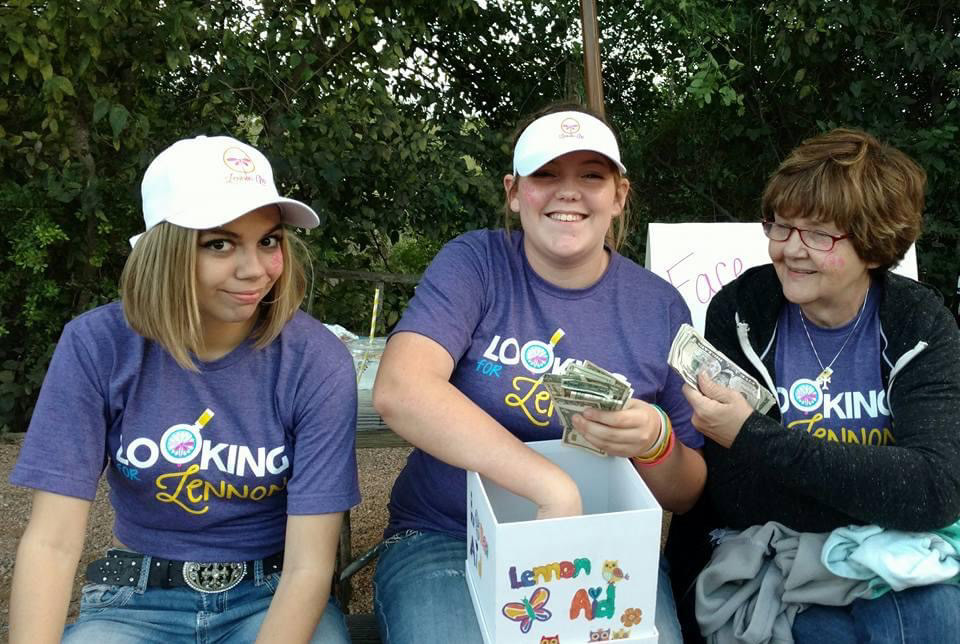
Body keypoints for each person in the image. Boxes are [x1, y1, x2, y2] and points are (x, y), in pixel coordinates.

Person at [371, 104, 706, 643]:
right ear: (513, 190)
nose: (567, 192)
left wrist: (656, 441)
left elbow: (685, 494)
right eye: (546, 174)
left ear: (619, 195)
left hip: (603, 545)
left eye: (591, 176)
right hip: (449, 536)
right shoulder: (476, 263)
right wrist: (551, 486)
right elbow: (401, 390)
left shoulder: (659, 306)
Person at [8, 135, 360, 643]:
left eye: (269, 240)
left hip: (272, 594)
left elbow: (310, 566)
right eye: (219, 243)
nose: (255, 269)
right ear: (164, 252)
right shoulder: (97, 345)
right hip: (135, 600)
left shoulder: (316, 359)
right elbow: (52, 542)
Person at [683, 128, 960, 642]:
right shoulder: (743, 313)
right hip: (780, 551)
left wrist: (752, 435)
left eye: (819, 234)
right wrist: (879, 488)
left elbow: (936, 490)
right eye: (781, 226)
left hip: (894, 551)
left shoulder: (919, 323)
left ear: (875, 246)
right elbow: (738, 493)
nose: (790, 250)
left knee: (933, 615)